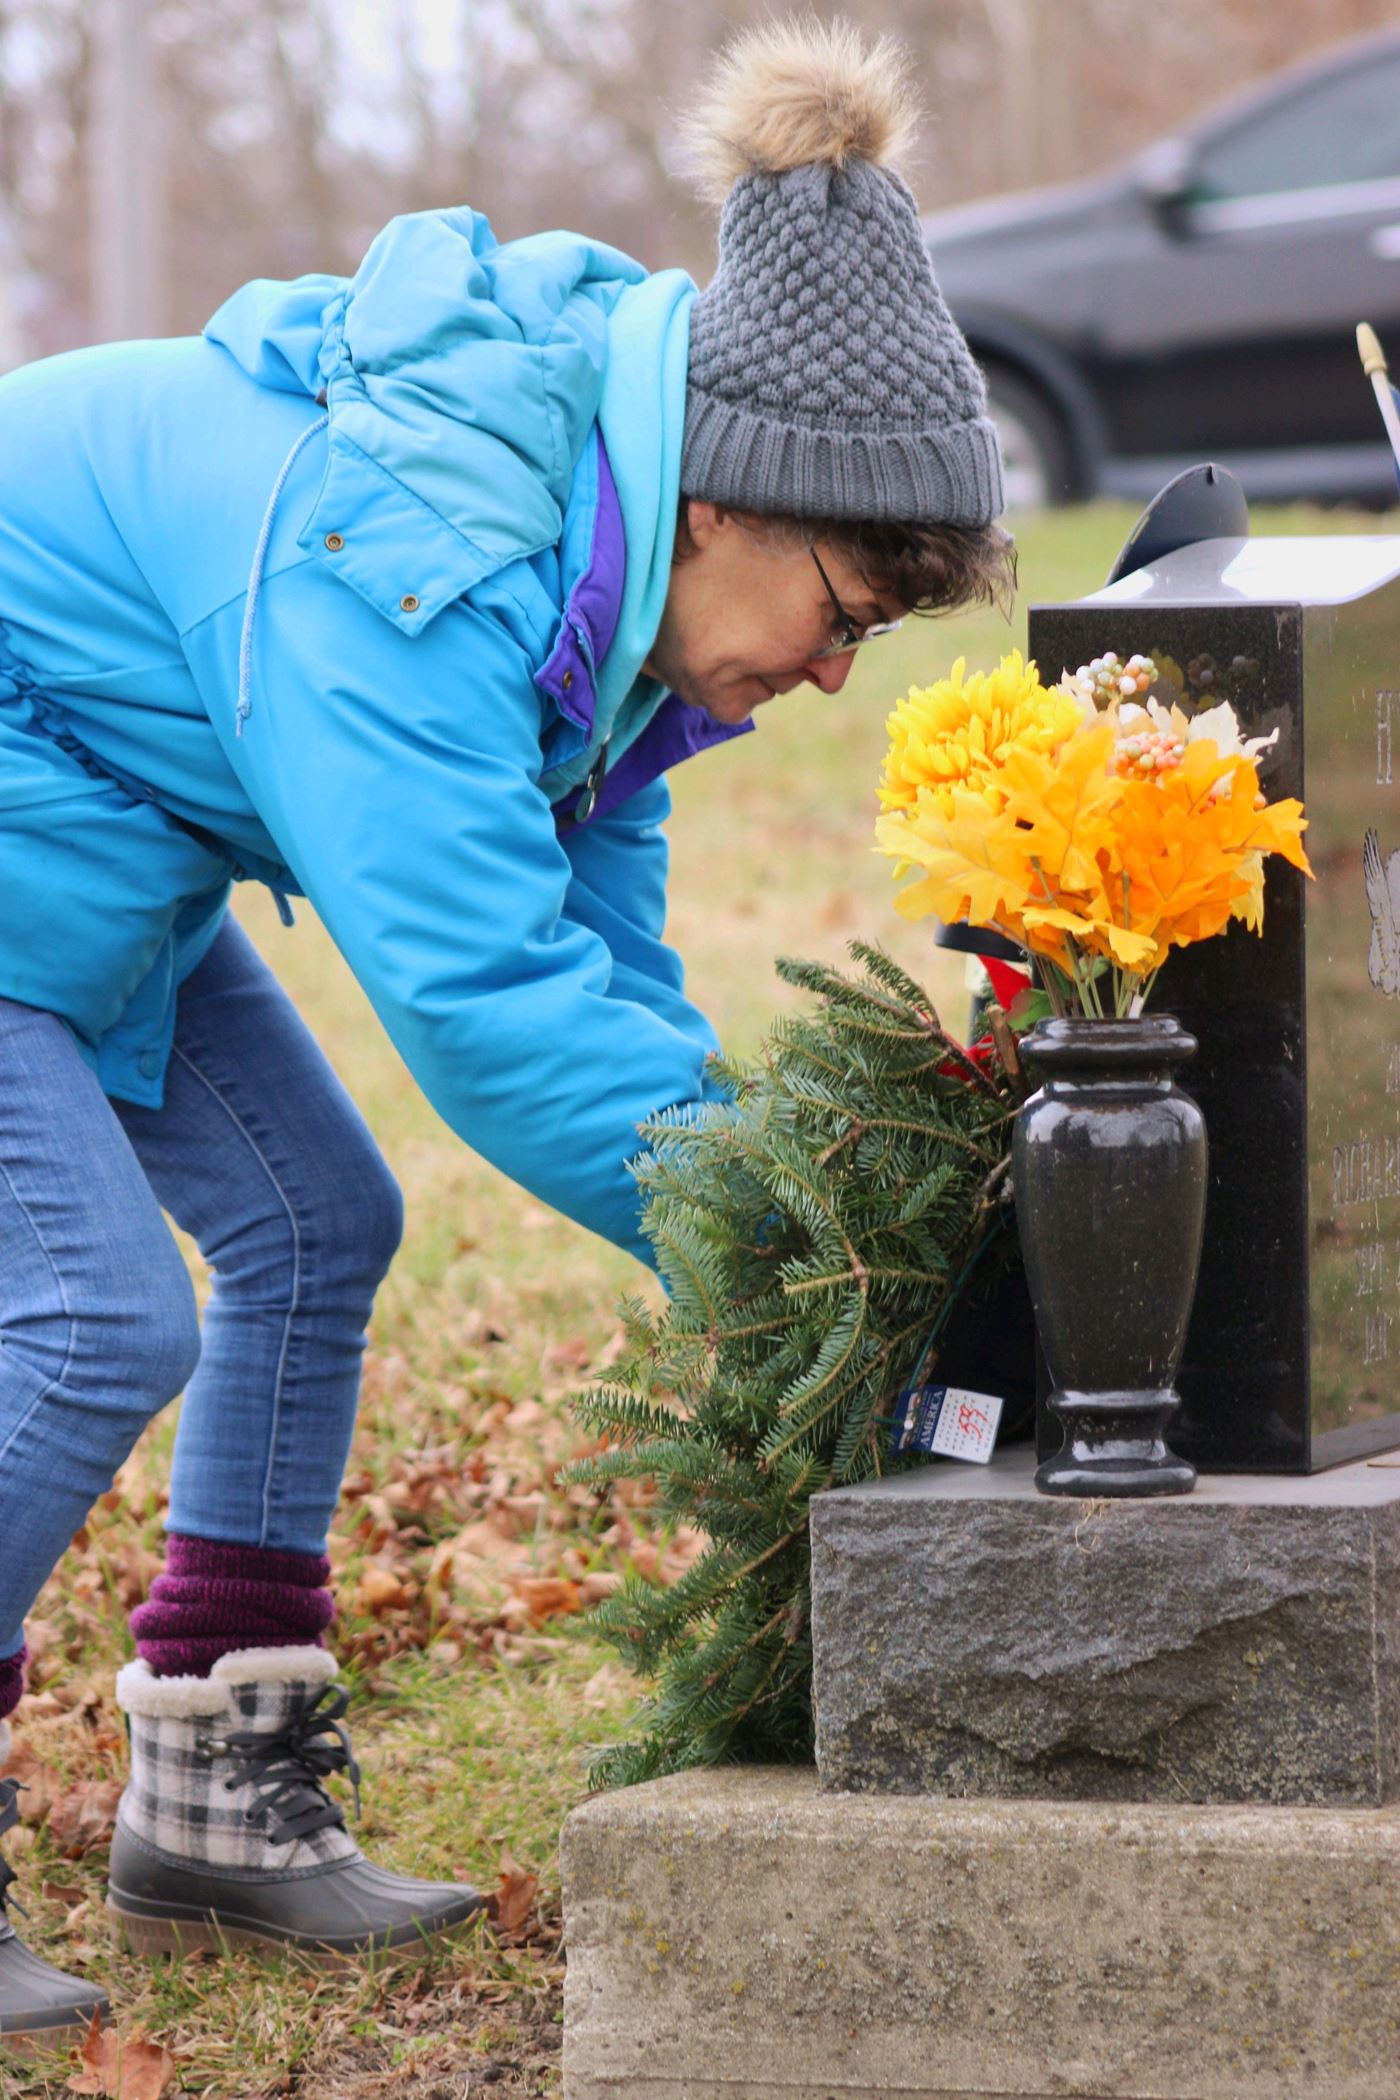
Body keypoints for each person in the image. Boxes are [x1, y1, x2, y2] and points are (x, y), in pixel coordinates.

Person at [0, 14, 1012, 2045]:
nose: (830, 671)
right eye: (843, 610)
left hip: (85, 822)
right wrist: (804, 1250)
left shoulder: (622, 625)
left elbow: (603, 976)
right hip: (38, 800)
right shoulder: (422, 557)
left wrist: (786, 1182)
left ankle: (215, 1797)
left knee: (315, 1221)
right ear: (730, 505)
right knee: (106, 1309)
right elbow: (481, 1001)